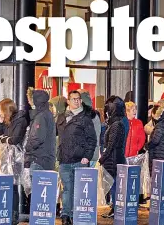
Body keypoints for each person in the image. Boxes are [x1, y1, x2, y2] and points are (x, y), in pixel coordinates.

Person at [56, 90, 98, 225]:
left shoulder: (85, 118)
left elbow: (92, 139)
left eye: (78, 99)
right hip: (64, 159)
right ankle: (65, 215)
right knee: (67, 188)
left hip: (79, 160)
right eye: (73, 99)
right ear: (68, 101)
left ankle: (73, 214)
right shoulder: (61, 117)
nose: (76, 101)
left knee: (76, 189)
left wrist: (87, 156)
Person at [0, 98, 29, 224]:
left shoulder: (20, 120)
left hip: (15, 159)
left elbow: (15, 139)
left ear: (6, 110)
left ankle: (13, 216)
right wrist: (0, 122)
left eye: (1, 110)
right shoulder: (6, 121)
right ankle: (5, 212)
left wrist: (4, 138)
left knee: (13, 187)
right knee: (5, 185)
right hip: (5, 158)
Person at [99, 98, 127, 218]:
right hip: (114, 158)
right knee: (114, 185)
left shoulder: (116, 125)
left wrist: (103, 158)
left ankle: (116, 209)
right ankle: (115, 209)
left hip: (114, 159)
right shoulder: (116, 124)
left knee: (115, 185)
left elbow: (111, 144)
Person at [24, 90, 56, 173]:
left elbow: (37, 138)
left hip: (39, 159)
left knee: (35, 185)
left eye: (29, 99)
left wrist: (27, 147)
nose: (28, 101)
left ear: (35, 101)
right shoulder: (46, 114)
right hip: (45, 159)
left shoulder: (40, 116)